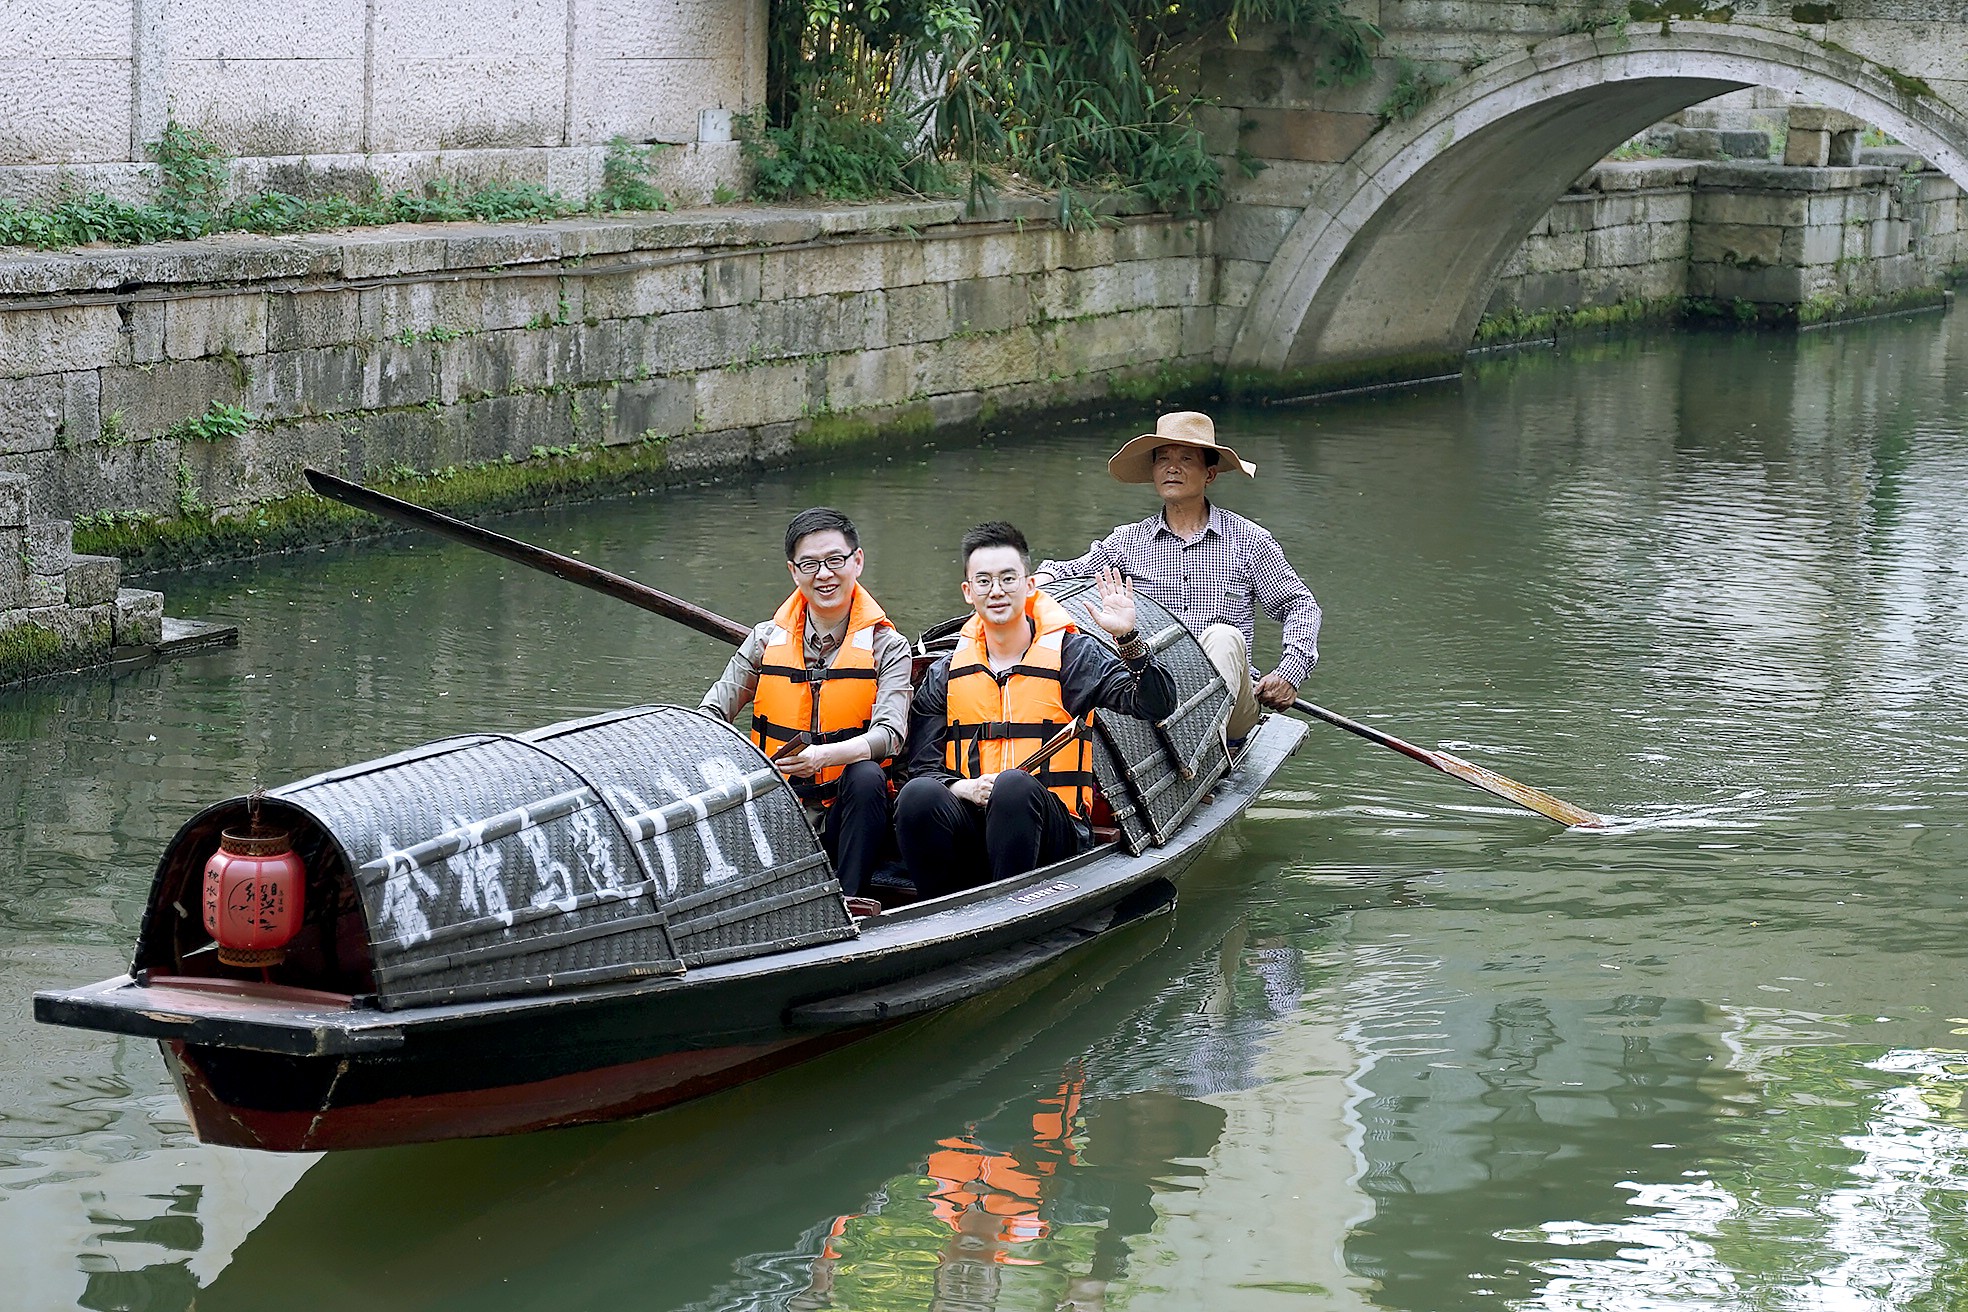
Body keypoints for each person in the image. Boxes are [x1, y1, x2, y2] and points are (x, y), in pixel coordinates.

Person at [895, 521, 1175, 898]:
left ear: (1029, 585)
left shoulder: (1072, 656)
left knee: (1012, 787)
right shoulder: (946, 671)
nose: (996, 591)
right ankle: (937, 913)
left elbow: (1154, 703)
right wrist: (965, 787)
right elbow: (924, 767)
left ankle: (1007, 912)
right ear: (968, 592)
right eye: (984, 581)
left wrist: (1128, 638)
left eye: (1008, 579)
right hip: (973, 826)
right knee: (918, 794)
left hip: (1051, 831)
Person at [1035, 410, 1321, 746]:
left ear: (1209, 474)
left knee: (1224, 637)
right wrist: (1036, 580)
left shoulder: (1248, 539)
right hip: (1154, 695)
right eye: (1163, 459)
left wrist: (1290, 672)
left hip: (1231, 706)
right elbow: (1066, 573)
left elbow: (1301, 605)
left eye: (1186, 458)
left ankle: (1202, 755)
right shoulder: (1127, 541)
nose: (1172, 467)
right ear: (1154, 473)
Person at [700, 507, 911, 899]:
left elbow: (891, 734)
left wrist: (824, 756)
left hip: (850, 816)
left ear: (857, 561)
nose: (824, 574)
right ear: (793, 572)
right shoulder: (765, 641)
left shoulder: (888, 647)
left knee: (866, 776)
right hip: (776, 804)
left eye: (835, 560)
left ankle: (851, 900)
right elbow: (710, 714)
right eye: (810, 564)